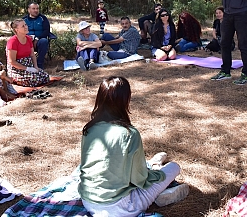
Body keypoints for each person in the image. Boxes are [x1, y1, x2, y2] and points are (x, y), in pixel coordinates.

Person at [79, 77, 189, 216]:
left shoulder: (90, 129)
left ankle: (153, 164)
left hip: (87, 200)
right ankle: (160, 190)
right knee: (174, 167)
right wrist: (155, 174)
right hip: (120, 207)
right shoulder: (129, 134)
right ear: (125, 100)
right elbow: (139, 179)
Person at [6, 19, 49, 87]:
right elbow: (12, 62)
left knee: (45, 76)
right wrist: (27, 69)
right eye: (23, 26)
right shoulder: (12, 42)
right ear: (17, 29)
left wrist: (35, 66)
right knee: (34, 79)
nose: (26, 27)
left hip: (29, 64)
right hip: (17, 68)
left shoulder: (28, 39)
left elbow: (32, 55)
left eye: (25, 25)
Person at [23, 3, 56, 69]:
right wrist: (28, 38)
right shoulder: (24, 20)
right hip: (26, 40)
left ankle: (39, 64)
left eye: (37, 8)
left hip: (39, 41)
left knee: (44, 41)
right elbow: (20, 31)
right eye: (33, 8)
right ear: (29, 10)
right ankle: (25, 64)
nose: (36, 10)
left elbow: (46, 31)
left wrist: (37, 38)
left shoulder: (43, 18)